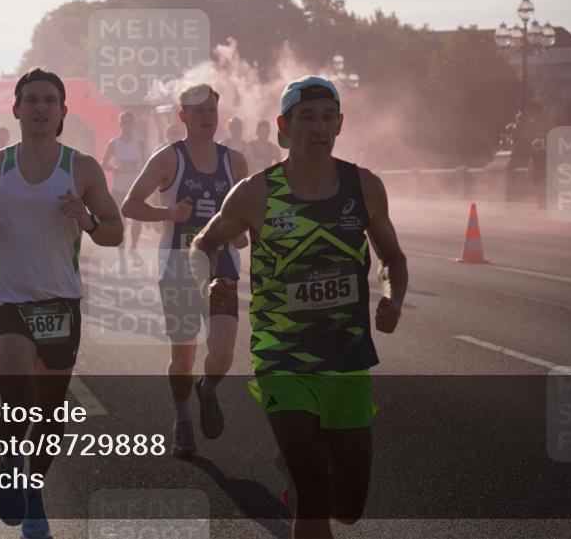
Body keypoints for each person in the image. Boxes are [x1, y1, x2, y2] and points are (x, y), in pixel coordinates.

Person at [191, 75, 408, 539]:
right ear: (283, 127)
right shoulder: (256, 193)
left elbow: (392, 258)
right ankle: (301, 485)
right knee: (313, 493)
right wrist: (211, 281)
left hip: (346, 360)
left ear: (340, 124)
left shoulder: (364, 187)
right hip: (282, 357)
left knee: (348, 507)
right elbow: (203, 244)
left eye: (328, 116)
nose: (318, 126)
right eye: (306, 117)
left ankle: (300, 485)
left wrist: (392, 296)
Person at [0, 68, 123, 538]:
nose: (40, 107)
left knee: (49, 418)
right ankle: (9, 460)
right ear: (16, 109)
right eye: (31, 99)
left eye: (49, 99)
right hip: (7, 300)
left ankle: (33, 493)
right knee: (20, 398)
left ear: (63, 111)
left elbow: (115, 232)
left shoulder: (83, 167)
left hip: (59, 305)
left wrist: (88, 220)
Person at [122, 84, 248, 458]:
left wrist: (241, 233)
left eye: (212, 109)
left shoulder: (235, 162)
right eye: (198, 111)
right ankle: (183, 419)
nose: (207, 116)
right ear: (183, 117)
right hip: (177, 265)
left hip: (221, 265)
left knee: (223, 353)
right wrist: (168, 213)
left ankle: (207, 389)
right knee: (183, 356)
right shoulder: (168, 159)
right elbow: (130, 205)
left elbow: (246, 213)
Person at [102, 111, 146, 274]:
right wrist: (114, 168)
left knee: (138, 220)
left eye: (130, 122)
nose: (127, 126)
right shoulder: (114, 143)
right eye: (125, 123)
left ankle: (133, 248)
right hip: (119, 189)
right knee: (121, 224)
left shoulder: (139, 143)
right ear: (120, 125)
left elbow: (145, 164)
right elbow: (103, 164)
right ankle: (122, 259)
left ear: (133, 125)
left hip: (135, 188)